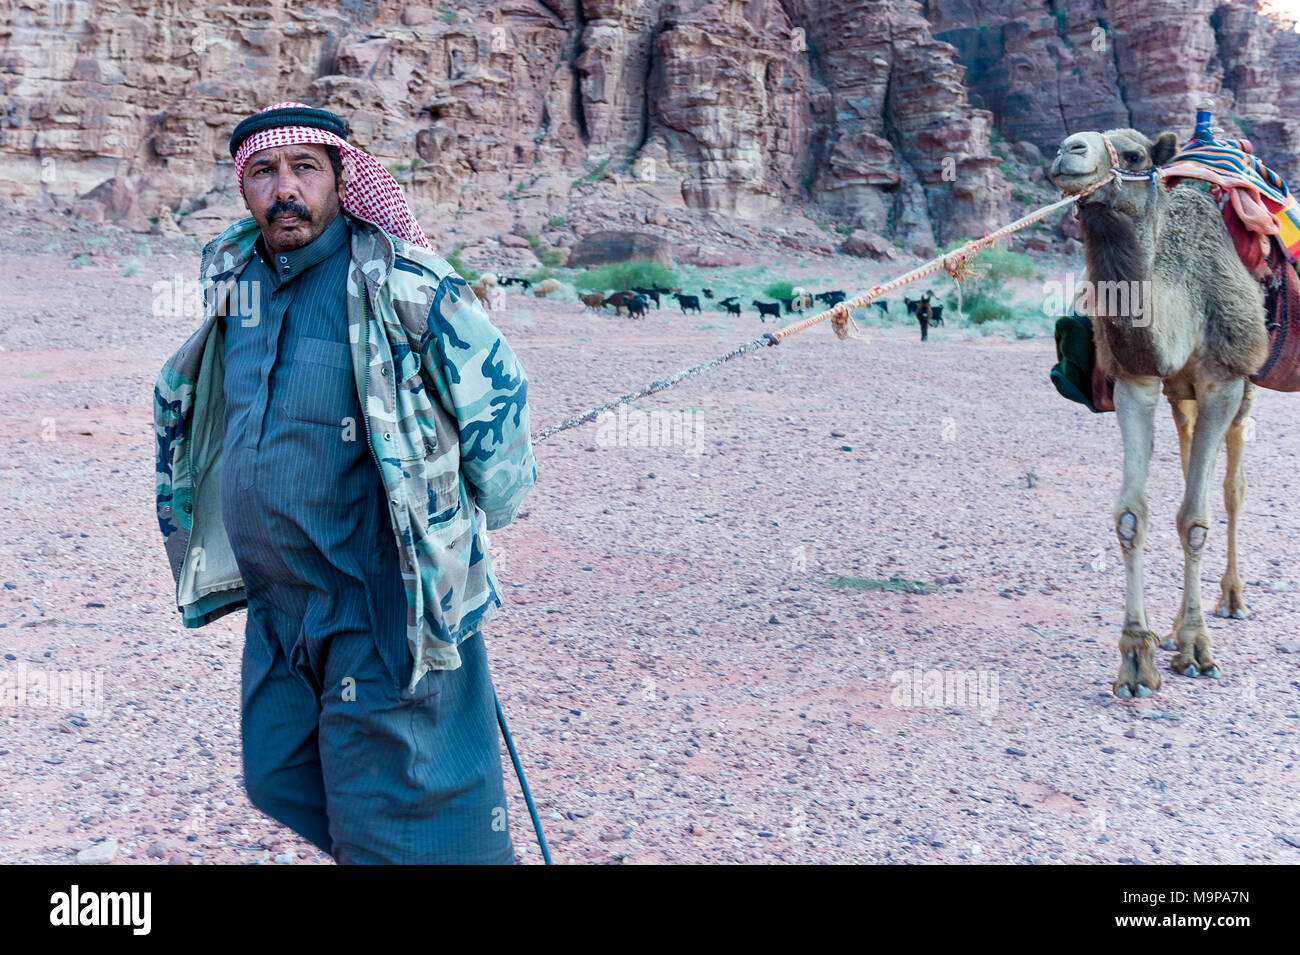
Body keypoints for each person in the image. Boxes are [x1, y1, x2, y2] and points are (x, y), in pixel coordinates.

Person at [153, 101, 537, 863]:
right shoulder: (236, 283)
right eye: (264, 171)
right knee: (278, 773)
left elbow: (500, 405)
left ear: (340, 177)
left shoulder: (407, 286)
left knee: (399, 808)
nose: (284, 188)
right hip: (281, 607)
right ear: (244, 187)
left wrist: (473, 508)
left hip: (377, 599)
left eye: (305, 168)